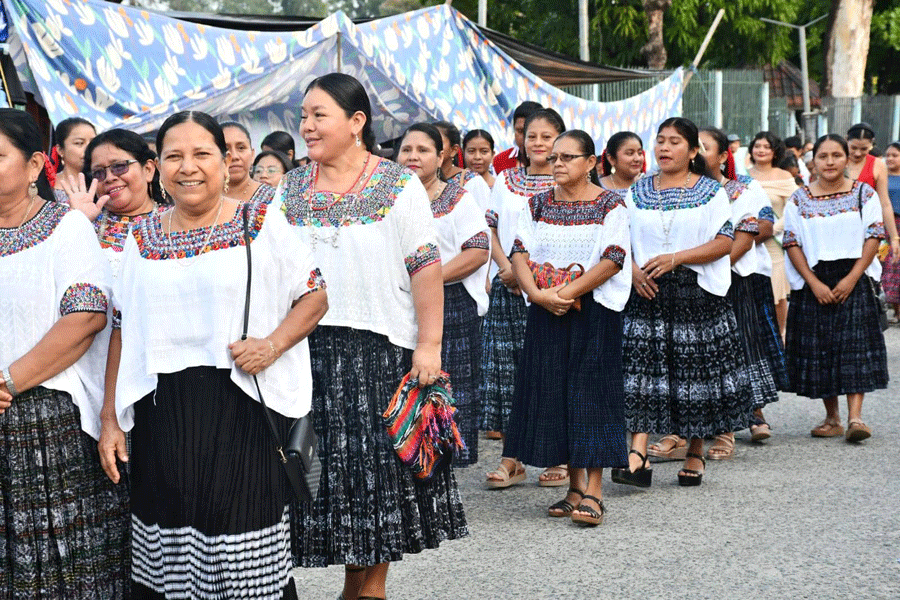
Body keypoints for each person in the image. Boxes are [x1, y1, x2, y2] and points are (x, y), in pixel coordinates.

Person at [100, 111, 328, 599]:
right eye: (174, 156)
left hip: (243, 410)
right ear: (157, 167)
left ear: (225, 162)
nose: (188, 167)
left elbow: (314, 294)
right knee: (173, 554)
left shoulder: (259, 223)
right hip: (164, 418)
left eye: (201, 154)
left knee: (242, 555)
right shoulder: (141, 239)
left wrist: (272, 345)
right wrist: (110, 419)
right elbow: (122, 327)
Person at [277, 73, 468, 600]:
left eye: (319, 115)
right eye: (304, 116)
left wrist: (429, 345)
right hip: (306, 351)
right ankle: (352, 586)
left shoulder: (397, 184)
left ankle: (372, 588)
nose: (307, 126)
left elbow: (425, 268)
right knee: (329, 477)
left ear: (356, 121)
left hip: (379, 350)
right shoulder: (288, 188)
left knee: (376, 475)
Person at [0, 108, 129, 598]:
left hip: (46, 422)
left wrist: (8, 381)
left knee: (61, 572)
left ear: (35, 165)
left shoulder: (66, 228)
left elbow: (87, 316)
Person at [613, 117, 752, 488]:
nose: (664, 147)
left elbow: (724, 242)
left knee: (694, 374)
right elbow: (618, 238)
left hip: (696, 291)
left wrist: (677, 258)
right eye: (660, 140)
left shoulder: (711, 191)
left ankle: (695, 450)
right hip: (646, 290)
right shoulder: (637, 190)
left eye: (674, 142)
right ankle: (638, 454)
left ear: (692, 152)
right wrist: (632, 271)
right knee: (642, 372)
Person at [503, 130, 630, 526]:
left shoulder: (611, 204)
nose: (557, 163)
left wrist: (565, 293)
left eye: (567, 157)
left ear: (591, 162)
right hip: (546, 308)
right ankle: (574, 488)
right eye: (554, 157)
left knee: (592, 395)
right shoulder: (537, 203)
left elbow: (613, 258)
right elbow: (519, 253)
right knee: (556, 394)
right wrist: (538, 295)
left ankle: (595, 492)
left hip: (593, 311)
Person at [783, 134, 888, 442]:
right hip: (814, 279)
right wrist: (813, 283)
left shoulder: (863, 193)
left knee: (854, 346)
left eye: (836, 155)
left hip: (853, 276)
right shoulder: (799, 199)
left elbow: (874, 236)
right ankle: (832, 418)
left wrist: (853, 277)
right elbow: (791, 242)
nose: (829, 162)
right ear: (813, 161)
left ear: (847, 159)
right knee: (822, 347)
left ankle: (856, 418)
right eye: (823, 156)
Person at [397, 123, 490, 466]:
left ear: (440, 158)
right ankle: (410, 458)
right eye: (406, 150)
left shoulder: (457, 199)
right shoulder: (390, 201)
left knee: (447, 390)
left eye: (422, 150)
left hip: (450, 304)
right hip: (401, 303)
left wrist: (428, 278)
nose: (413, 156)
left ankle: (446, 465)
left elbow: (478, 250)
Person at [482, 108, 566, 488]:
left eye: (547, 137)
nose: (538, 143)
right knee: (507, 373)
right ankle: (511, 459)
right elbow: (491, 227)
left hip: (551, 291)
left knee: (550, 371)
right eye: (532, 136)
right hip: (508, 287)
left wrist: (530, 276)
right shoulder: (506, 180)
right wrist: (509, 269)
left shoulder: (567, 182)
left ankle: (558, 456)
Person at [698, 126, 778, 459]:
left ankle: (754, 412)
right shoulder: (679, 190)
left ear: (722, 156)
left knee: (743, 343)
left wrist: (715, 266)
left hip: (735, 276)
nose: (697, 152)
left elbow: (763, 225)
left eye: (704, 147)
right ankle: (704, 420)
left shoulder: (744, 187)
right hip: (692, 279)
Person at [747, 131, 797, 339]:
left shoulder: (784, 177)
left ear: (775, 151)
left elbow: (794, 208)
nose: (761, 150)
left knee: (777, 295)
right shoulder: (742, 176)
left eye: (767, 147)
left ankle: (780, 338)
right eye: (757, 146)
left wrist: (773, 228)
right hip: (747, 243)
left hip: (774, 244)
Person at [846, 123, 900, 261]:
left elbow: (885, 203)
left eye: (864, 149)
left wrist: (894, 238)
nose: (858, 153)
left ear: (871, 145)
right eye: (853, 148)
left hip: (868, 229)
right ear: (846, 141)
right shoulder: (838, 161)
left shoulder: (878, 165)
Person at [434, 121, 492, 213]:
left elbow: (485, 218)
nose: (432, 147)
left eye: (438, 143)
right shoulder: (419, 178)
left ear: (453, 150)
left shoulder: (472, 181)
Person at [222, 122, 275, 204]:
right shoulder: (203, 199)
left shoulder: (275, 199)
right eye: (226, 150)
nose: (234, 156)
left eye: (241, 148)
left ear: (252, 155)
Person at [51, 117, 96, 203]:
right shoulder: (45, 186)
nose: (89, 149)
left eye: (93, 143)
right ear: (60, 150)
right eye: (79, 143)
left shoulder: (102, 182)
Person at [492, 101, 543, 174]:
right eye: (520, 131)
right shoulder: (500, 161)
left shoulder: (554, 162)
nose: (525, 138)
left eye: (531, 132)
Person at [883, 142, 900, 319]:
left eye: (894, 155)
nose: (890, 158)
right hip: (886, 227)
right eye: (888, 155)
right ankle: (895, 308)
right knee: (889, 264)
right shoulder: (882, 177)